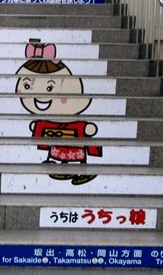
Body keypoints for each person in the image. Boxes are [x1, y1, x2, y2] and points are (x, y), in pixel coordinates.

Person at [15, 39, 101, 185]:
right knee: (60, 152)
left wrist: (88, 128)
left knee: (75, 153)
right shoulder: (47, 121)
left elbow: (85, 128)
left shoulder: (76, 120)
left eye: (50, 88)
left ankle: (82, 169)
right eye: (27, 86)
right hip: (59, 140)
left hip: (74, 140)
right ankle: (63, 167)